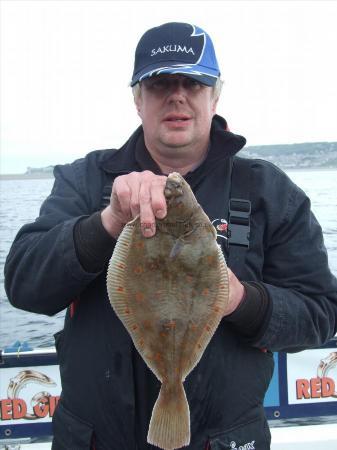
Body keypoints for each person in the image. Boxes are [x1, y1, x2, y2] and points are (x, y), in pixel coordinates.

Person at [4, 22, 337, 450]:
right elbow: (24, 285)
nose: (177, 95)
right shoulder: (86, 181)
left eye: (193, 82)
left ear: (214, 95)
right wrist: (106, 221)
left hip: (225, 440)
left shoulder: (269, 193)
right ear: (137, 99)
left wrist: (237, 298)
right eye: (160, 83)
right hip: (93, 439)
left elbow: (321, 314)